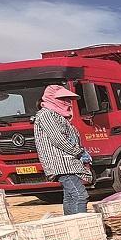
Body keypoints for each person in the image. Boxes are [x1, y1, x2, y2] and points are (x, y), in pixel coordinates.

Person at [33, 85, 92, 215]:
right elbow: (58, 139)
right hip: (61, 165)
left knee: (70, 197)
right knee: (80, 196)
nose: (67, 102)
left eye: (68, 98)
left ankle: (70, 226)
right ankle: (80, 228)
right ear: (52, 99)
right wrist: (79, 152)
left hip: (69, 163)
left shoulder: (59, 116)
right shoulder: (46, 115)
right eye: (63, 98)